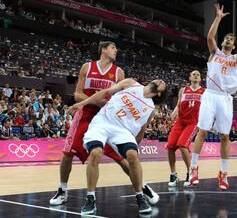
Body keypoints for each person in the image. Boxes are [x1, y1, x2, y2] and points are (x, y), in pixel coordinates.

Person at [49, 41, 158, 206]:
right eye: (113, 47)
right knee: (67, 152)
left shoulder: (118, 73)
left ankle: (142, 186)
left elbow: (121, 99)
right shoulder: (87, 67)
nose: (116, 50)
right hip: (86, 114)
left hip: (109, 118)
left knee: (122, 158)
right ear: (104, 49)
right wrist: (96, 102)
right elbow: (78, 94)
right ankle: (62, 190)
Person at [70, 78, 167, 215]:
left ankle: (140, 196)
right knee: (96, 153)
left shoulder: (150, 108)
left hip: (122, 131)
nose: (160, 80)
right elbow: (106, 92)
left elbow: (142, 129)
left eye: (163, 84)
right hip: (103, 122)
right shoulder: (131, 84)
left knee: (133, 156)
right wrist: (83, 103)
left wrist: (135, 144)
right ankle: (90, 198)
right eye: (159, 79)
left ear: (159, 93)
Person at [189, 3, 237, 190]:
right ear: (223, 41)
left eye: (231, 39)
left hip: (225, 98)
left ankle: (224, 173)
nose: (228, 40)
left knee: (225, 137)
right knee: (202, 131)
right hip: (210, 95)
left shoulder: (235, 59)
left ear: (233, 45)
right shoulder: (214, 53)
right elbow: (210, 37)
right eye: (226, 38)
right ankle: (194, 168)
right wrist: (217, 17)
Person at [167, 70, 205, 187]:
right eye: (193, 74)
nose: (195, 76)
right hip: (180, 122)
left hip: (193, 122)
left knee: (182, 145)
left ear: (200, 79)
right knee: (170, 147)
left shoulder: (204, 92)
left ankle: (191, 174)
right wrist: (173, 113)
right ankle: (174, 174)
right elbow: (178, 104)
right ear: (189, 77)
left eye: (198, 75)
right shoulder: (183, 90)